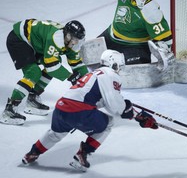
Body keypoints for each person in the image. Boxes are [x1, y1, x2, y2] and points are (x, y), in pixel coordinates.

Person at [22, 49, 158, 172]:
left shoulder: (94, 74)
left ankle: (32, 153)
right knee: (108, 123)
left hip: (61, 108)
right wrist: (134, 114)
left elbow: (105, 102)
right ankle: (83, 154)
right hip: (78, 111)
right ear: (114, 64)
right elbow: (115, 106)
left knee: (55, 134)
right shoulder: (110, 75)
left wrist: (136, 114)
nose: (120, 70)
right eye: (119, 66)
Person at [0, 19, 89, 126]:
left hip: (35, 43)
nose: (76, 43)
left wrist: (89, 79)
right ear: (68, 36)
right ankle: (9, 110)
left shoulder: (69, 40)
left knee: (56, 62)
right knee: (33, 72)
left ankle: (32, 99)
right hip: (19, 39)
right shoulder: (56, 38)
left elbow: (77, 64)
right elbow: (52, 67)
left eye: (78, 40)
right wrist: (70, 76)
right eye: (75, 39)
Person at [90, 0, 174, 71]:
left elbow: (164, 38)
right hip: (112, 35)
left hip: (136, 46)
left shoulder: (152, 12)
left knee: (126, 67)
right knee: (89, 54)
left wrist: (166, 54)